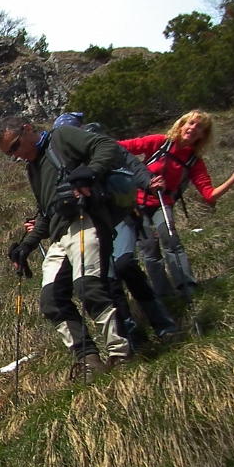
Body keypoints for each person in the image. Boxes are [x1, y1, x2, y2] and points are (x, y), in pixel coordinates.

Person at [1, 119, 132, 377]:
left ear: (27, 129)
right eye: (10, 153)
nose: (17, 154)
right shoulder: (33, 169)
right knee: (51, 300)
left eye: (16, 145)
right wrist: (26, 246)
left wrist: (90, 172)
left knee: (89, 287)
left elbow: (107, 146)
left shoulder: (61, 138)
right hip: (60, 235)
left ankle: (121, 354)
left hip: (86, 220)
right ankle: (88, 361)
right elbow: (46, 213)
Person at [52, 113, 179, 345]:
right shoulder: (61, 162)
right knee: (107, 279)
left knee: (124, 264)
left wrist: (148, 182)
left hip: (121, 216)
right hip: (93, 224)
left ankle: (164, 324)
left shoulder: (99, 144)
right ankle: (132, 336)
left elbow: (130, 162)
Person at [119, 110, 234, 300]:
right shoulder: (159, 142)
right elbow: (120, 148)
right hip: (136, 202)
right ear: (181, 125)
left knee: (170, 239)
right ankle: (163, 294)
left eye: (199, 127)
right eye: (190, 123)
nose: (193, 128)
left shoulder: (193, 161)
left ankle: (186, 287)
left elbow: (210, 195)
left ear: (203, 135)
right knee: (149, 248)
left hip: (162, 204)